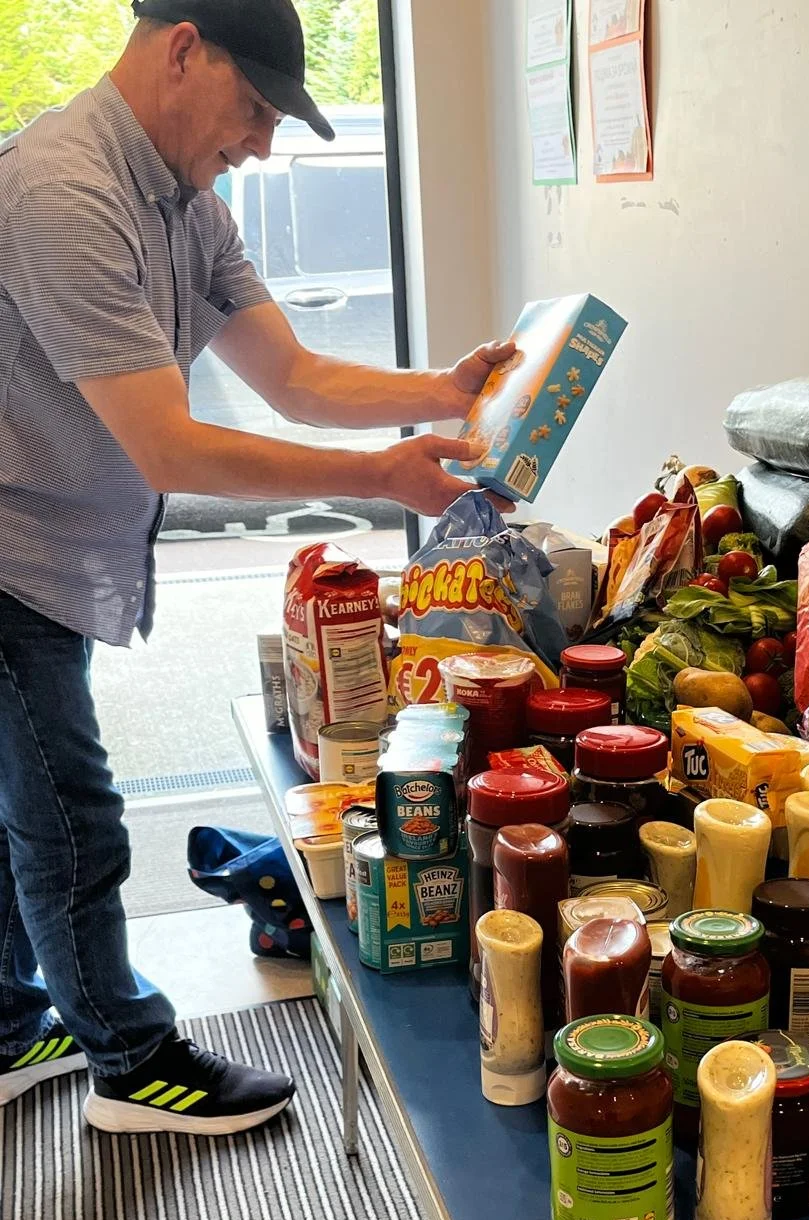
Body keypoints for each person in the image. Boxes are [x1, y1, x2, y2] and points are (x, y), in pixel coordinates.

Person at [0, 0, 513, 1135]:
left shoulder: (187, 204)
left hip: (49, 543)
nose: (265, 143)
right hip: (8, 553)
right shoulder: (59, 191)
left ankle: (5, 1023)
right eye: (258, 107)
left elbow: (288, 373)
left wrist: (446, 391)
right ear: (185, 48)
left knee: (18, 799)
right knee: (72, 816)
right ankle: (132, 1067)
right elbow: (172, 444)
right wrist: (382, 479)